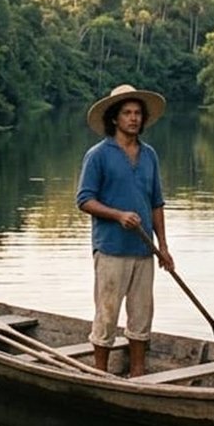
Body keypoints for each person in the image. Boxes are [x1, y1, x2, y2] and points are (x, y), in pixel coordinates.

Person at [76, 85, 175, 378]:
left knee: (142, 315)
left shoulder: (149, 155)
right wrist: (118, 215)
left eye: (137, 114)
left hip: (144, 251)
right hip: (111, 249)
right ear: (115, 119)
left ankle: (138, 373)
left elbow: (156, 203)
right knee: (107, 316)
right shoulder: (98, 155)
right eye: (127, 113)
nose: (133, 118)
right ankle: (101, 375)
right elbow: (84, 200)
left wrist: (164, 247)